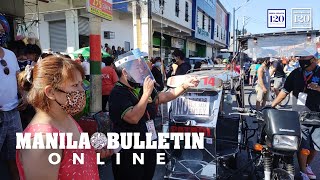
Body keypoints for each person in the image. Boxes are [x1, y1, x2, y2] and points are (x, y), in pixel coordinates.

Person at [16, 56, 112, 179]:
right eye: (75, 85)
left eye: (81, 84)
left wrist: (91, 153)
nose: (82, 90)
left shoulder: (65, 117)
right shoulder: (42, 142)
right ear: (50, 92)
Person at [109, 53, 199, 180]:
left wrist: (184, 86)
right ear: (125, 72)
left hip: (147, 145)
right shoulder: (118, 93)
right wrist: (146, 94)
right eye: (137, 68)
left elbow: (164, 96)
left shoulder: (140, 87)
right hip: (128, 150)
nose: (141, 71)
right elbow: (133, 118)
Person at [272, 54, 320, 180]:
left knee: (316, 146)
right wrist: (272, 105)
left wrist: (318, 88)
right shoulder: (296, 73)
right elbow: (285, 91)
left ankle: (307, 165)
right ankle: (303, 170)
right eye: (301, 59)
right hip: (300, 114)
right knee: (303, 145)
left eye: (305, 59)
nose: (302, 61)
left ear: (314, 59)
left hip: (318, 114)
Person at [0, 17, 24, 180]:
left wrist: (24, 95)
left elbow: (17, 78)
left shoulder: (10, 55)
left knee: (16, 159)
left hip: (14, 113)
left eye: (1, 31)